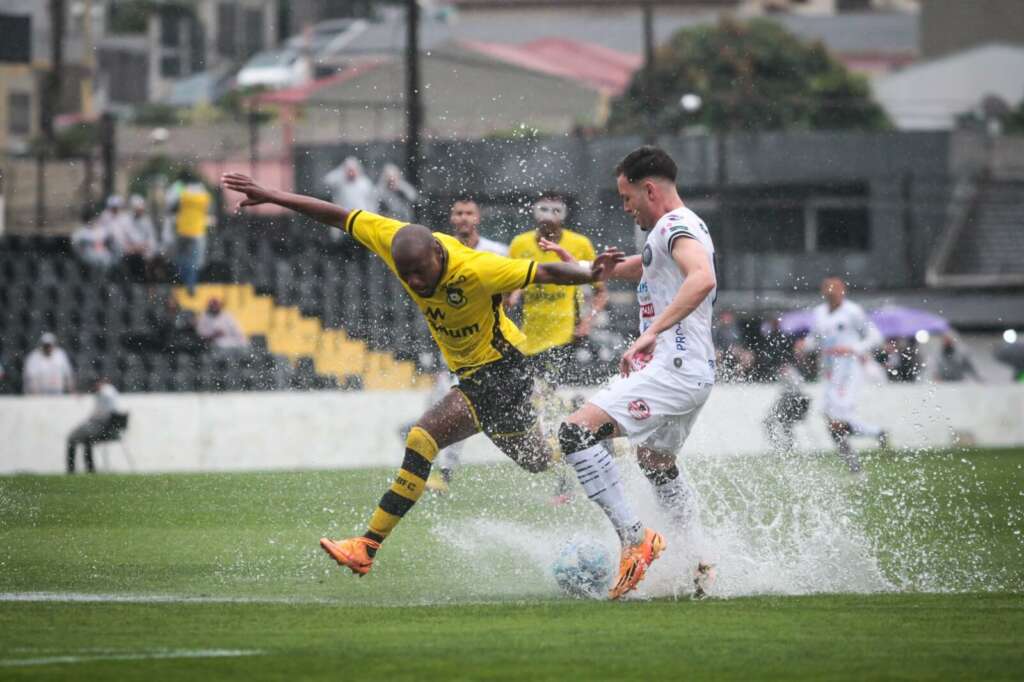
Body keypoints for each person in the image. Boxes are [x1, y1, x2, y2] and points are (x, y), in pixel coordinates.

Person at [221, 171, 659, 600]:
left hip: (501, 370)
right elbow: (337, 214)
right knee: (537, 458)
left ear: (435, 252)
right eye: (405, 274)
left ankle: (366, 546)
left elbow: (541, 274)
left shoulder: (476, 269)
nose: (413, 282)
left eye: (419, 272)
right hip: (477, 375)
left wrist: (588, 273)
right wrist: (274, 194)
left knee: (422, 436)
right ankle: (591, 435)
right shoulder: (394, 240)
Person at [552, 146, 718, 599]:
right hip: (694, 373)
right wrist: (594, 271)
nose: (626, 208)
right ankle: (696, 560)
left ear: (649, 190)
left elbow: (701, 279)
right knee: (656, 463)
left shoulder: (675, 226)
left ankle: (634, 538)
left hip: (673, 367)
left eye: (627, 199)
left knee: (574, 433)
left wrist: (652, 333)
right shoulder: (675, 230)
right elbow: (649, 267)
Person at [425, 196, 510, 493]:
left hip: (492, 346)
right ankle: (443, 473)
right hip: (456, 342)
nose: (463, 218)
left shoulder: (497, 252)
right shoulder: (441, 250)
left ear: (478, 218)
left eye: (468, 213)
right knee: (443, 405)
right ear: (451, 218)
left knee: (478, 407)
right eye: (458, 212)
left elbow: (513, 290)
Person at [797, 278, 887, 473]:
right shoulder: (819, 313)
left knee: (837, 419)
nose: (831, 293)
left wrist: (854, 348)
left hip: (849, 371)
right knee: (830, 420)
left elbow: (875, 337)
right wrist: (805, 345)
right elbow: (816, 339)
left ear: (843, 291)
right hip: (829, 372)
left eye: (835, 290)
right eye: (827, 290)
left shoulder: (853, 312)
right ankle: (868, 444)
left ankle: (868, 446)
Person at [66, 378, 126, 474]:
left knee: (73, 438)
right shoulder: (105, 392)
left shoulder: (106, 392)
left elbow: (103, 413)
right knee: (84, 439)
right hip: (104, 426)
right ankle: (88, 469)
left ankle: (75, 469)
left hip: (105, 427)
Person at [168, 171, 212, 294]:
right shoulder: (203, 193)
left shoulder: (181, 191)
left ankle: (182, 280)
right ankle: (191, 285)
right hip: (197, 232)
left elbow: (171, 206)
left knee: (181, 258)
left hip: (183, 230)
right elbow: (208, 209)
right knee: (194, 261)